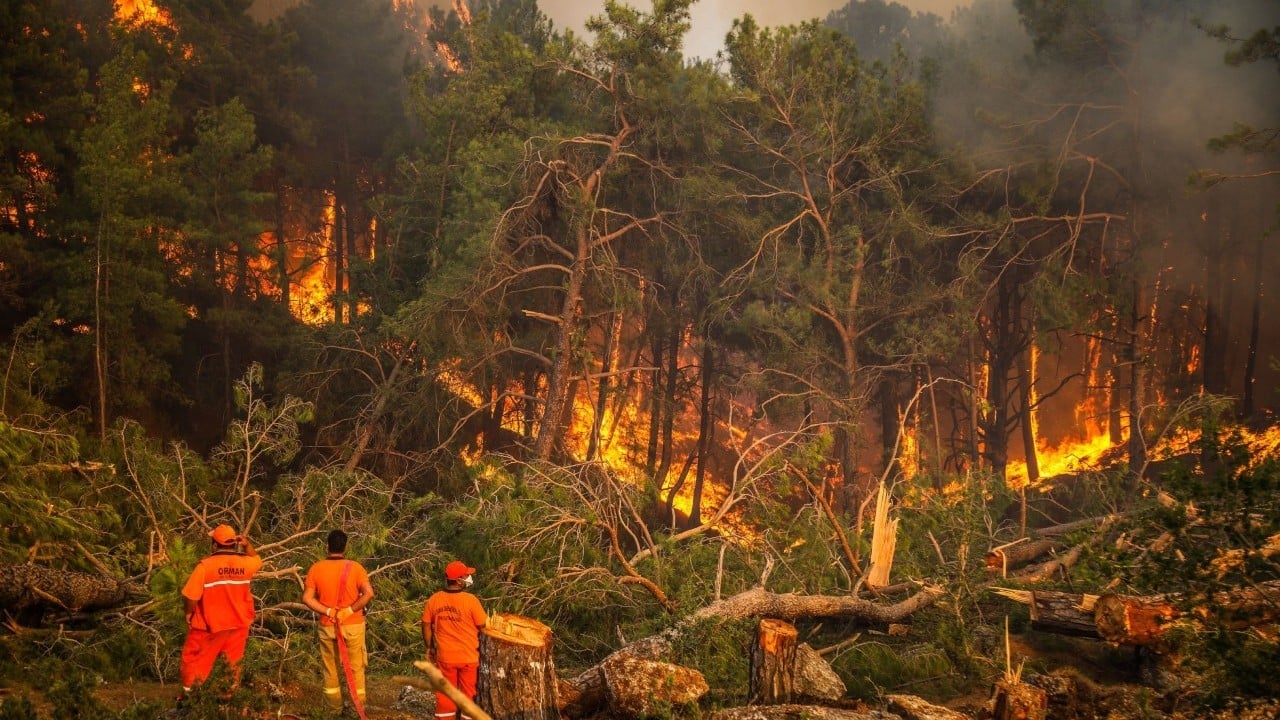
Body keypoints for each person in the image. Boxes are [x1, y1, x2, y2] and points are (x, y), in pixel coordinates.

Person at [179, 524, 262, 699]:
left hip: (210, 626)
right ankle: (226, 701)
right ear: (234, 544)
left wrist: (188, 613)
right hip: (238, 624)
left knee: (193, 660)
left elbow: (191, 596)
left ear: (214, 545)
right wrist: (247, 545)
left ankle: (189, 701)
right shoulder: (246, 564)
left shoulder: (205, 567)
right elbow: (258, 559)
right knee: (232, 664)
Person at [302, 529, 375, 714]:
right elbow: (368, 593)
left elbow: (307, 598)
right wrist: (349, 610)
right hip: (353, 625)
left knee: (330, 669)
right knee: (356, 668)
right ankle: (357, 710)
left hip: (327, 626)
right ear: (346, 547)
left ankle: (333, 710)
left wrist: (328, 611)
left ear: (327, 546)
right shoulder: (356, 568)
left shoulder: (316, 568)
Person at [422, 560, 488, 720]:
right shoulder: (471, 601)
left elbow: (425, 625)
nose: (469, 578)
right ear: (459, 580)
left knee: (445, 696)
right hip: (469, 657)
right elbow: (484, 626)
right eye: (466, 575)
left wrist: (430, 647)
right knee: (468, 697)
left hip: (445, 658)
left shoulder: (434, 599)